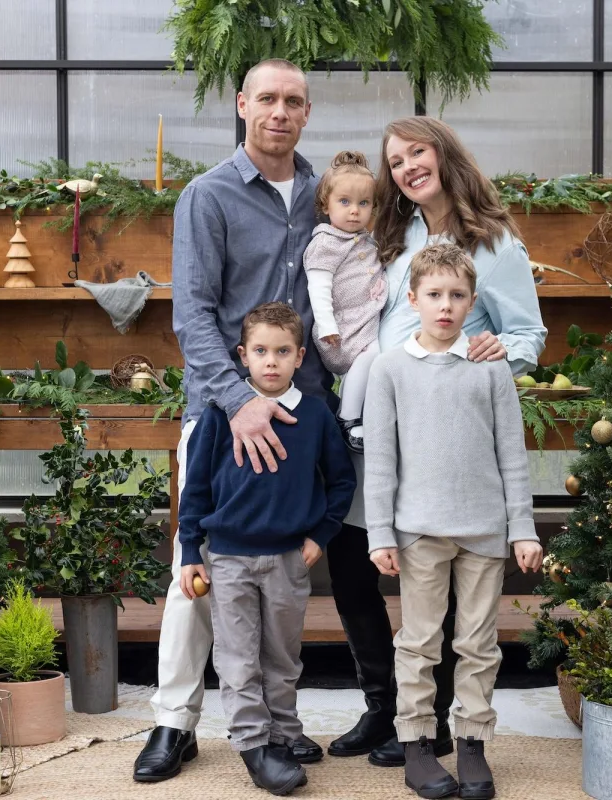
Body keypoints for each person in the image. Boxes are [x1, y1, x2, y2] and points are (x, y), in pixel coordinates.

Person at [325, 116, 547, 767]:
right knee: (354, 554)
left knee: (440, 565)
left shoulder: (492, 240)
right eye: (395, 161)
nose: (406, 168)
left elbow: (527, 333)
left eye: (415, 152)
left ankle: (437, 725)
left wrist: (499, 354)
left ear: (443, 153)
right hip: (377, 415)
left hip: (440, 425)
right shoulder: (391, 236)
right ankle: (384, 708)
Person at [135, 58, 333, 783]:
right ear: (243, 104)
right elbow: (191, 316)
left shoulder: (325, 195)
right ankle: (173, 722)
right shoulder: (208, 195)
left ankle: (278, 723)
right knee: (200, 568)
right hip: (224, 414)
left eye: (294, 101)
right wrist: (239, 402)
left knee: (283, 576)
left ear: (307, 113)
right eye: (268, 99)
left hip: (299, 416)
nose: (280, 112)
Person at [365, 243, 544, 799]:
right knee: (419, 644)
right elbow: (382, 458)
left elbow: (512, 453)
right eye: (434, 295)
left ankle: (471, 744)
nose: (445, 306)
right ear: (413, 299)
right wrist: (380, 533)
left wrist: (523, 528)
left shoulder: (489, 368)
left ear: (472, 302)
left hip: (485, 532)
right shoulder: (390, 369)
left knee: (478, 643)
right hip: (419, 531)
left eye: (457, 296)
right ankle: (417, 746)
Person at [177, 302, 356, 796]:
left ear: (300, 356)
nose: (271, 361)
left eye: (282, 351)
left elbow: (340, 482)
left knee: (282, 656)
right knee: (238, 658)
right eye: (260, 351)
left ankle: (283, 731)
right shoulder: (220, 415)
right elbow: (195, 490)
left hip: (288, 559)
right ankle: (255, 747)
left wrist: (320, 535)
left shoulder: (316, 415)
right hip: (229, 558)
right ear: (242, 356)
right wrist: (191, 550)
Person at [303, 150, 386, 454]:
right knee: (372, 354)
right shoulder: (325, 243)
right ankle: (348, 418)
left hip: (362, 319)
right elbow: (319, 287)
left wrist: (381, 287)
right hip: (340, 330)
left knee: (366, 364)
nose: (355, 211)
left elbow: (373, 272)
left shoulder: (365, 240)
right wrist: (326, 325)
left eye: (363, 203)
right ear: (326, 205)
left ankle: (356, 413)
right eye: (345, 202)